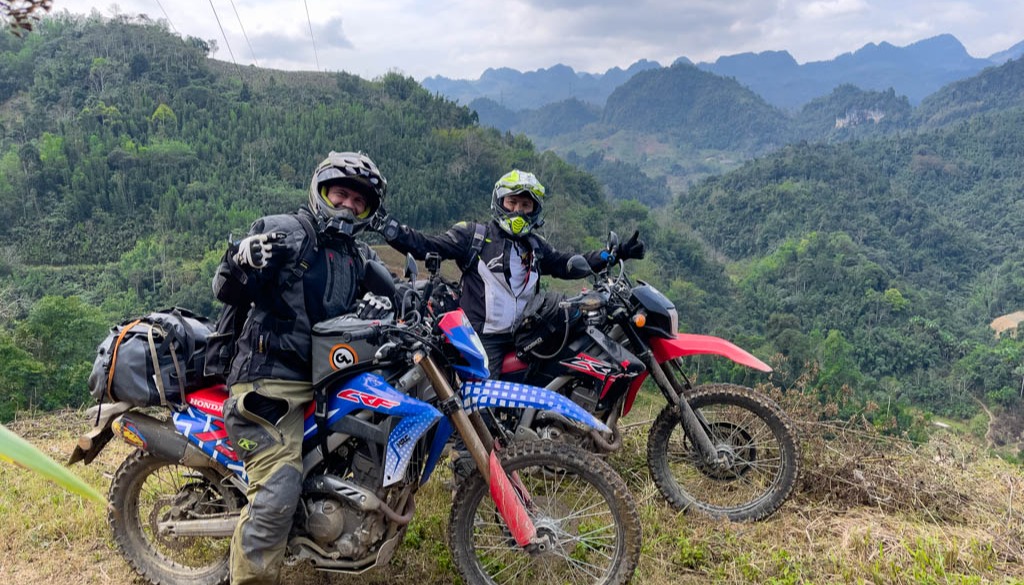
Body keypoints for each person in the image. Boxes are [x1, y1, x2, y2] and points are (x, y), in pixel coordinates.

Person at [212, 151, 392, 585]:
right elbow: (226, 288)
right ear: (321, 192)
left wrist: (403, 302)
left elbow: (398, 291)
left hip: (327, 381)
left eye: (359, 202)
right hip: (271, 383)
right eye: (341, 194)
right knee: (278, 489)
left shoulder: (356, 255)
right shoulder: (288, 233)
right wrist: (240, 261)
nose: (348, 206)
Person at [375, 169, 646, 374]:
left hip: (526, 335)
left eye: (526, 206)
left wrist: (612, 254)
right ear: (500, 202)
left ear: (535, 210)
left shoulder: (536, 247)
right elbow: (427, 245)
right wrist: (390, 228)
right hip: (483, 339)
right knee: (482, 407)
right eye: (512, 203)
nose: (518, 211)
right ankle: (467, 449)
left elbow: (567, 264)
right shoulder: (474, 236)